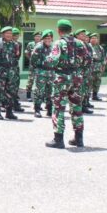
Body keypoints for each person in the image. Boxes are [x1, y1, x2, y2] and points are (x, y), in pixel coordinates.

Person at [44, 19, 85, 149]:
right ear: (70, 30)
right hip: (76, 78)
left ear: (59, 30)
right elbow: (88, 59)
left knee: (59, 108)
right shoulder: (80, 43)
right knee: (77, 108)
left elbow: (52, 60)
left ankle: (58, 139)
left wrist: (47, 59)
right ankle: (79, 139)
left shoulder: (59, 43)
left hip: (62, 79)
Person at [0, 26, 18, 120]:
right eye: (7, 33)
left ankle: (9, 112)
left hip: (11, 71)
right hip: (0, 71)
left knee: (10, 91)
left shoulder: (14, 44)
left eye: (10, 33)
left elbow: (16, 56)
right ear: (3, 34)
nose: (9, 35)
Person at [30, 29, 54, 118]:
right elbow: (33, 60)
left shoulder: (53, 47)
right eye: (46, 38)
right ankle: (37, 110)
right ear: (43, 39)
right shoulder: (39, 47)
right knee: (39, 92)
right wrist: (39, 69)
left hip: (51, 73)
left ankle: (49, 110)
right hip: (41, 73)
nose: (48, 40)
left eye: (49, 38)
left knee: (50, 92)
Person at [74, 29, 94, 115]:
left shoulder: (88, 46)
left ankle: (84, 105)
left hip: (87, 71)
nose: (84, 36)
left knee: (86, 89)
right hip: (78, 71)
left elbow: (90, 58)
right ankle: (77, 107)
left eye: (84, 35)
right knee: (78, 90)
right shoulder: (74, 45)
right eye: (81, 35)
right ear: (77, 36)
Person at [25, 31, 42, 100]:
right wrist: (31, 59)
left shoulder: (42, 44)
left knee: (40, 82)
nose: (38, 38)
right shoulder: (30, 44)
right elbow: (26, 53)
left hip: (41, 67)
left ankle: (39, 97)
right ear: (34, 37)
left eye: (39, 36)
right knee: (30, 81)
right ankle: (28, 96)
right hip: (32, 67)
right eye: (36, 36)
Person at [10, 28, 24, 112]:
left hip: (15, 67)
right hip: (8, 67)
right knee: (8, 86)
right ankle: (5, 104)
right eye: (14, 35)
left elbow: (18, 56)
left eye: (17, 35)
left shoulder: (19, 44)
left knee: (15, 85)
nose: (15, 37)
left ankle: (15, 104)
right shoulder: (8, 44)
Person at [89, 33, 105, 101]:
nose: (94, 40)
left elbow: (103, 58)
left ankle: (95, 95)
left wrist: (103, 66)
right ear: (90, 39)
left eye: (95, 38)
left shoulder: (100, 48)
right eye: (92, 38)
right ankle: (87, 97)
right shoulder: (88, 47)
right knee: (89, 82)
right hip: (90, 68)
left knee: (97, 82)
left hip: (98, 67)